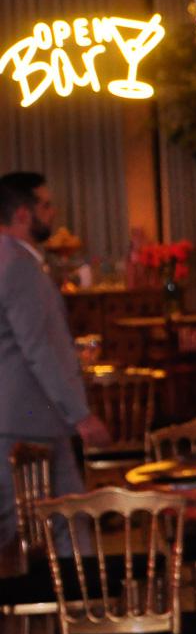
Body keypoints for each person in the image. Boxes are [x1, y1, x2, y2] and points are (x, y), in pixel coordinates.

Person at [0, 172, 111, 552]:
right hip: (28, 419)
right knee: (59, 525)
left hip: (26, 417)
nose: (53, 213)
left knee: (56, 524)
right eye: (46, 205)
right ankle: (79, 590)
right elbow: (39, 347)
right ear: (22, 214)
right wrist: (79, 413)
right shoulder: (18, 264)